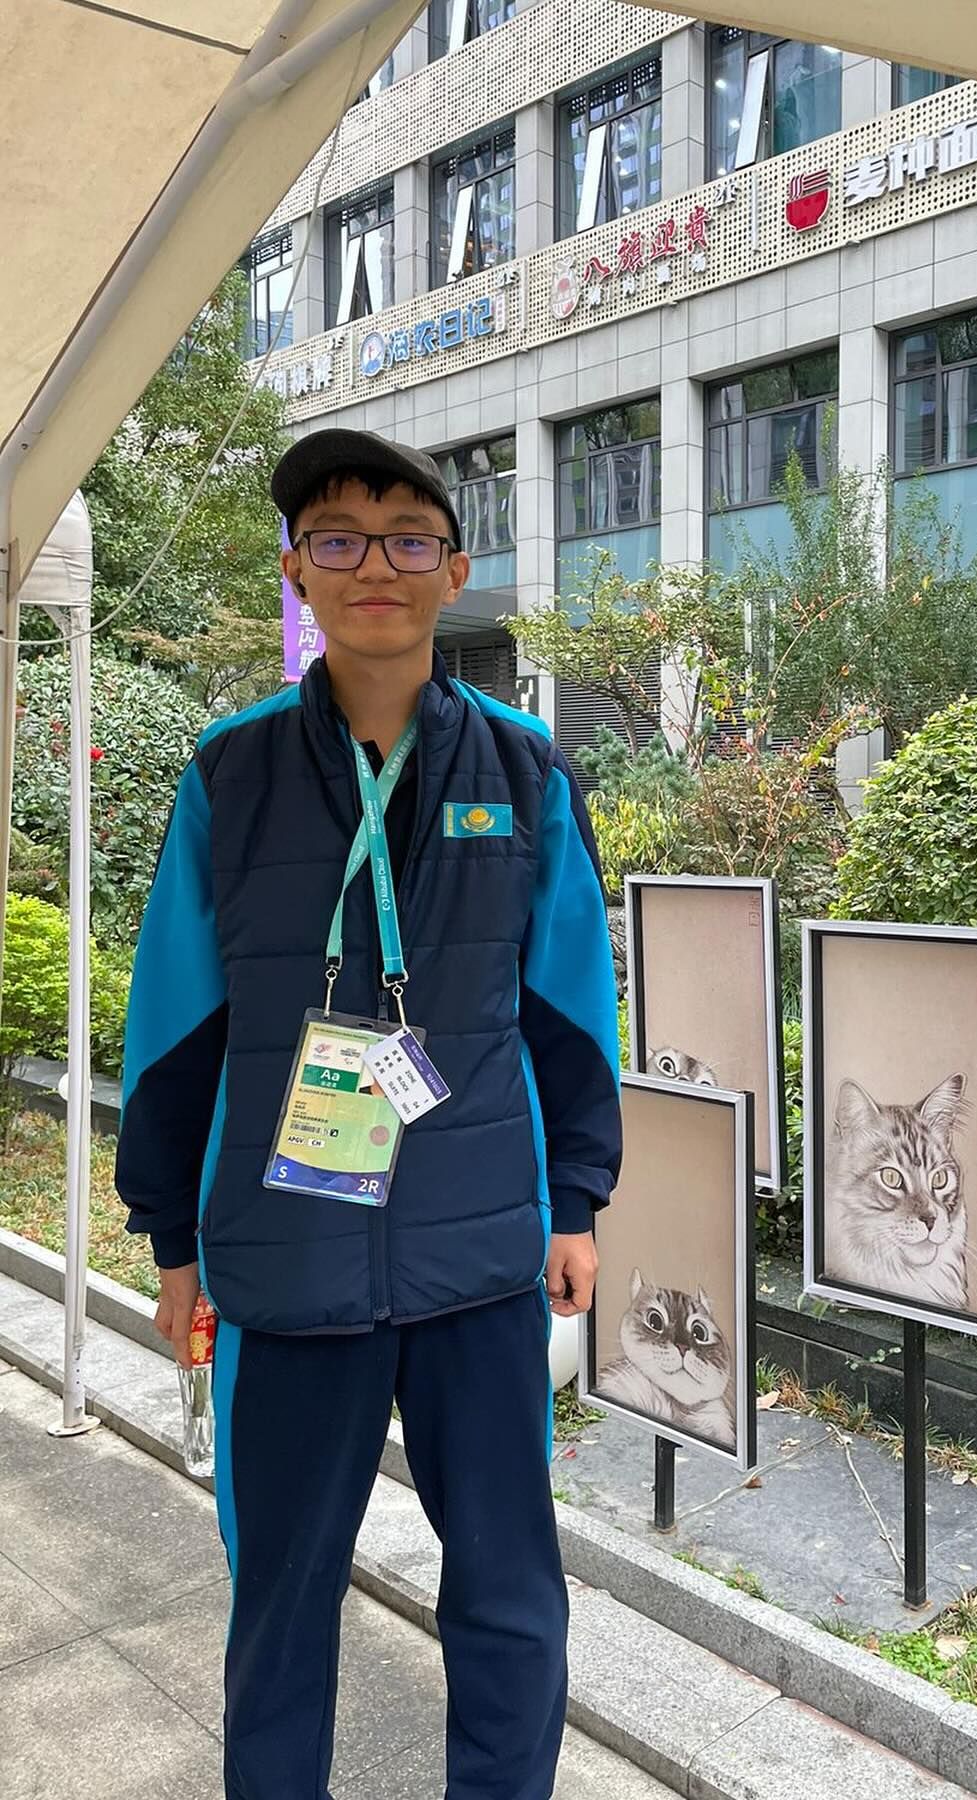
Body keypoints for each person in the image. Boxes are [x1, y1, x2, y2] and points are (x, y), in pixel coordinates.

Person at [114, 428, 622, 1800]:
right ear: (298, 571)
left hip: (479, 1258)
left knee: (508, 1593)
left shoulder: (524, 769)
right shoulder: (229, 773)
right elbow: (175, 1023)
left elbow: (573, 1003)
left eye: (409, 538)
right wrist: (172, 1243)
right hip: (283, 1258)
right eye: (337, 538)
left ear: (454, 570)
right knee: (279, 1603)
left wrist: (577, 1202)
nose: (375, 566)